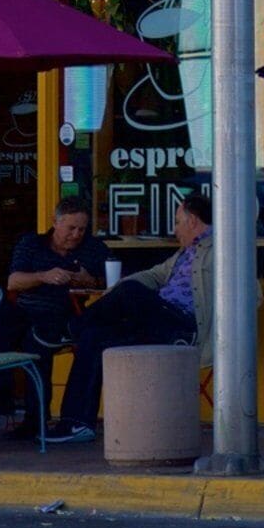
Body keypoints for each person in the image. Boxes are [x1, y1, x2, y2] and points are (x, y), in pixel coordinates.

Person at [52, 186, 210, 440]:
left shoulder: (220, 252)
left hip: (182, 328)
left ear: (192, 221)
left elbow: (253, 294)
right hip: (157, 322)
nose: (175, 229)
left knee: (130, 292)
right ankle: (76, 424)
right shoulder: (185, 252)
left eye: (178, 222)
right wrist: (115, 290)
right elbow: (155, 275)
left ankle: (67, 331)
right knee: (95, 336)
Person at [0, 197, 102, 443]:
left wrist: (85, 280)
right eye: (71, 228)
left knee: (35, 343)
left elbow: (103, 282)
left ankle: (35, 421)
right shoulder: (32, 244)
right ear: (55, 222)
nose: (76, 234)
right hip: (24, 309)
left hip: (62, 313)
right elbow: (13, 281)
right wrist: (44, 276)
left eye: (81, 229)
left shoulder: (92, 248)